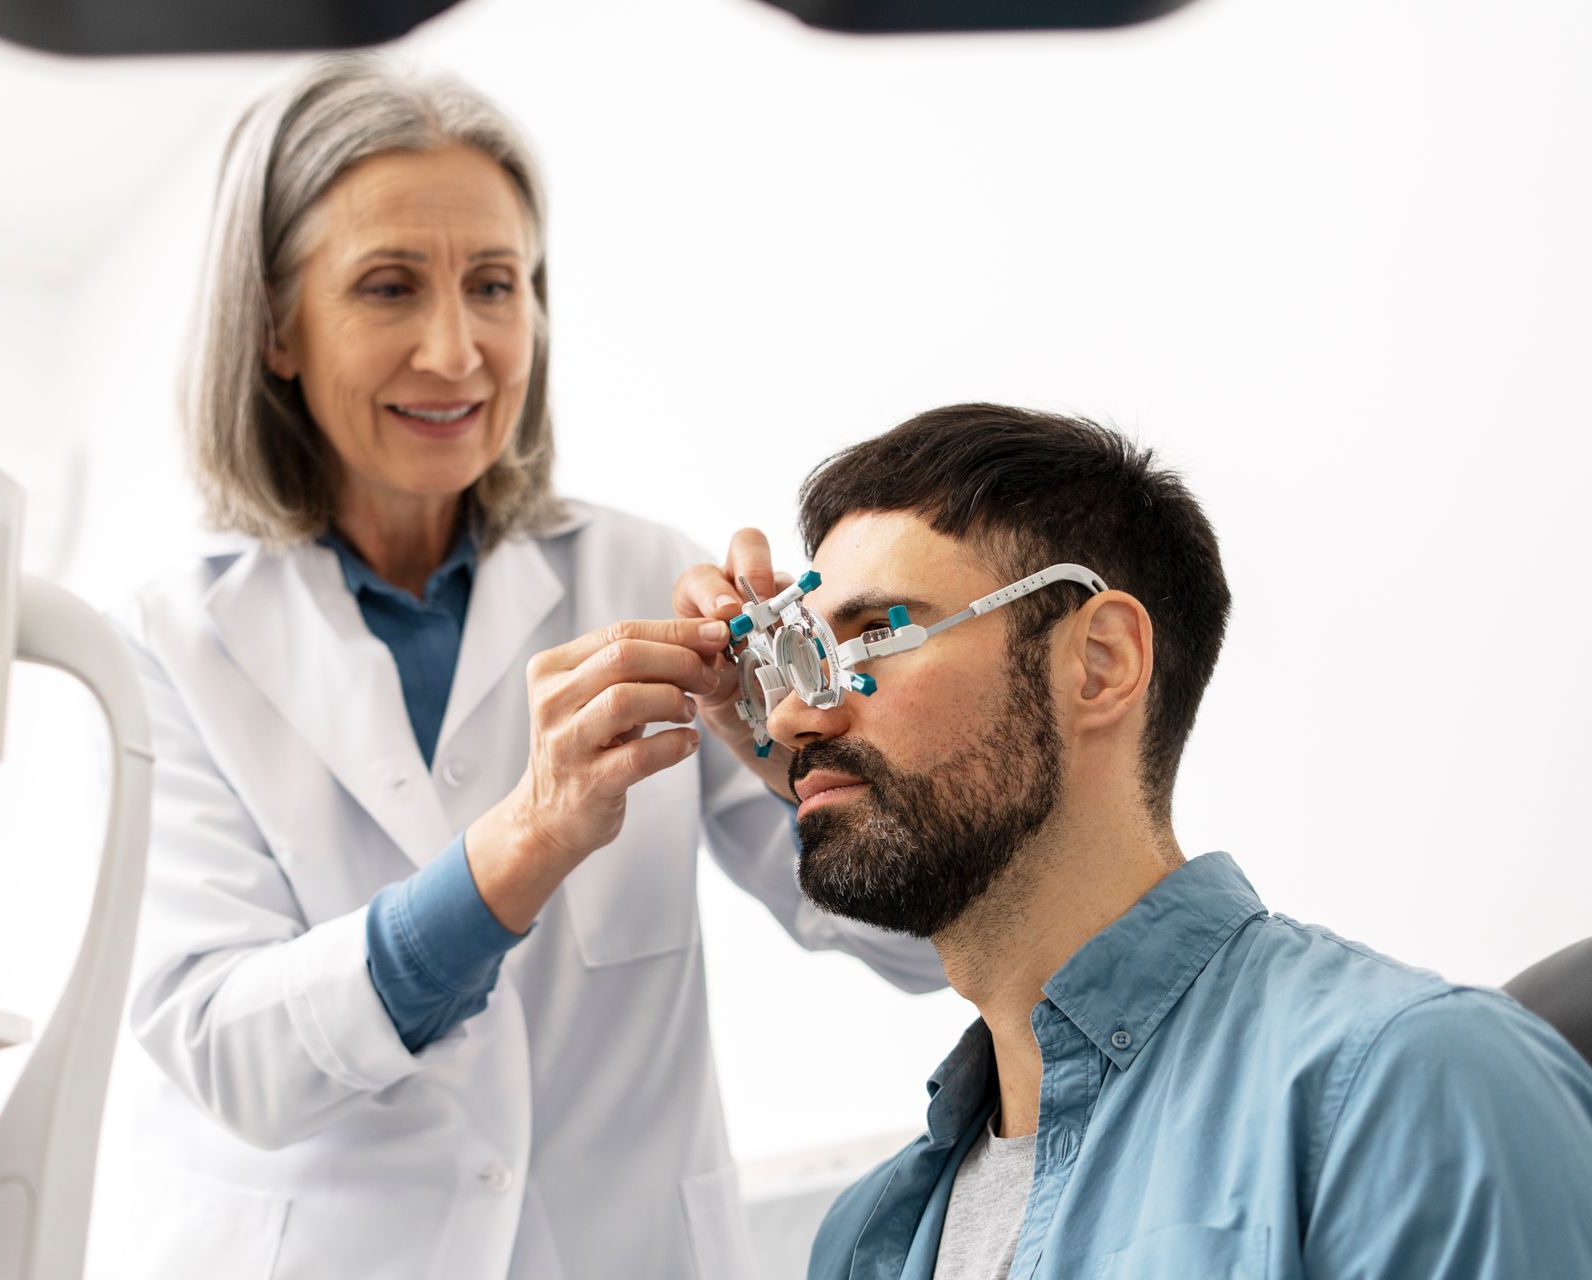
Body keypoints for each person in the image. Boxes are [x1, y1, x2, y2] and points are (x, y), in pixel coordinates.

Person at [101, 57, 943, 1280]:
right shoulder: (170, 642)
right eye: (390, 287)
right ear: (276, 327)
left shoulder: (647, 575)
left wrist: (795, 761)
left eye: (495, 285)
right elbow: (232, 1053)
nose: (458, 351)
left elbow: (924, 946)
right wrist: (527, 840)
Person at [721, 404, 1592, 1278]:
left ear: (1100, 662)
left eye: (873, 633)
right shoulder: (865, 1238)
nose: (796, 716)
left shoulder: (1410, 1089)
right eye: (791, 665)